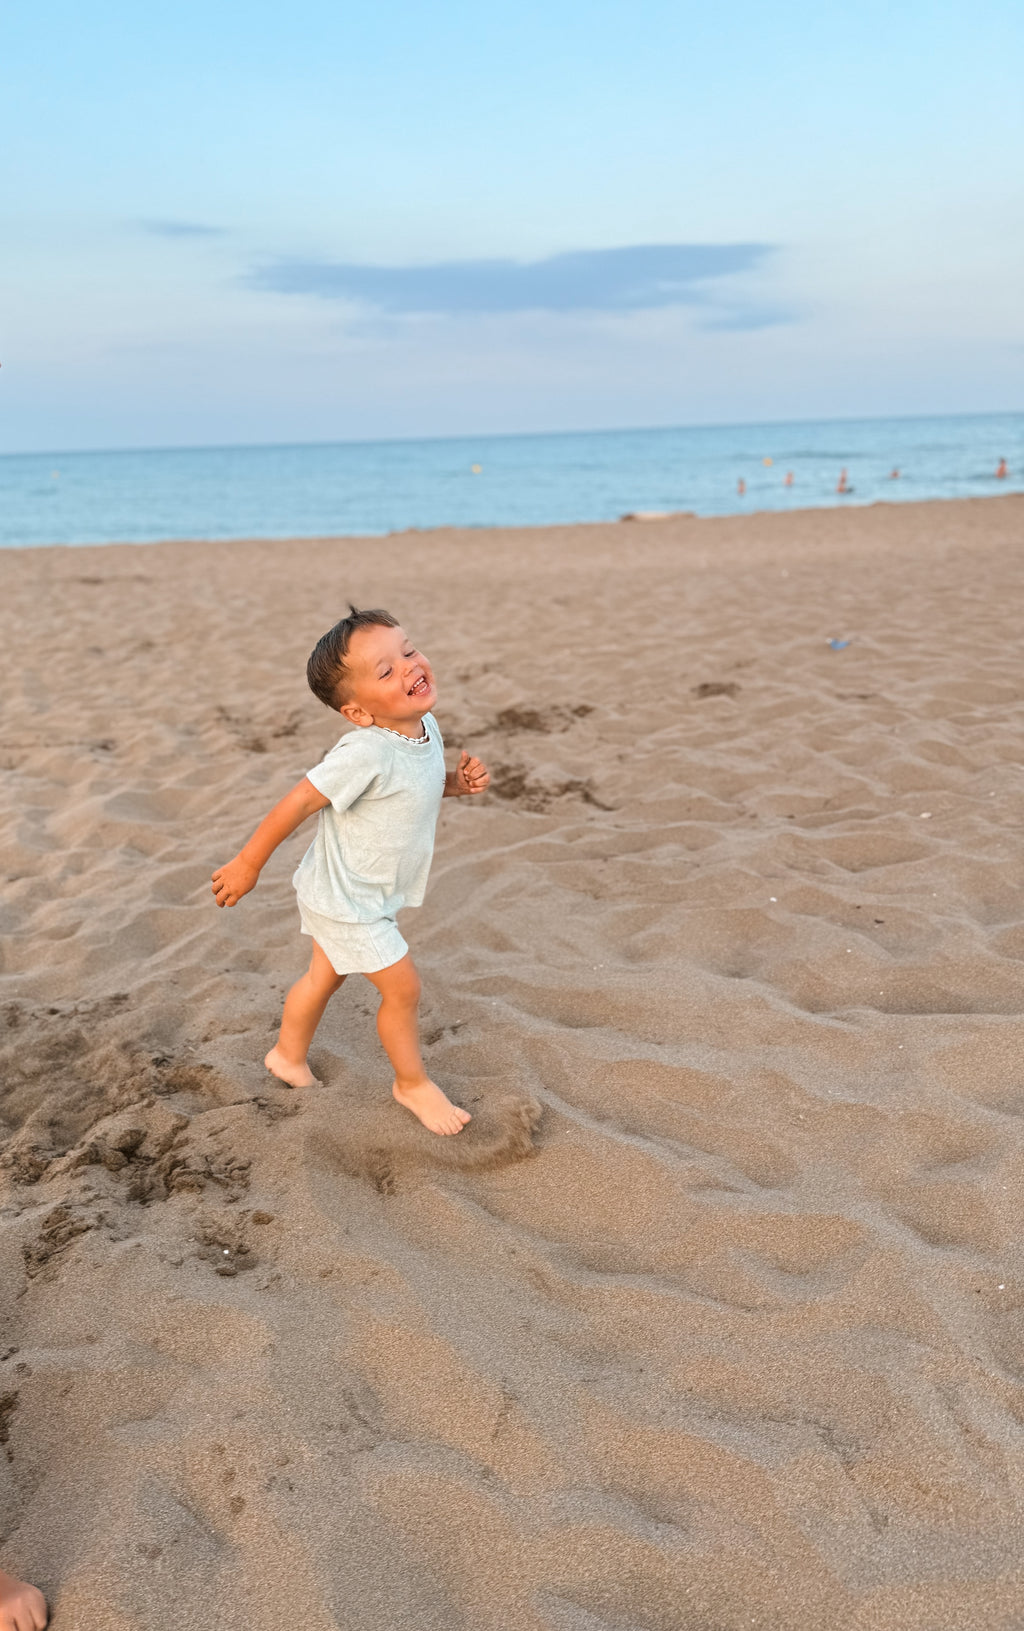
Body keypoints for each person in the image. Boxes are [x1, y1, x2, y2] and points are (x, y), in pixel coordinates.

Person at [211, 608, 490, 1136]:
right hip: (346, 900)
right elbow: (296, 803)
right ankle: (411, 1084)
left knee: (324, 976)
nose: (409, 667)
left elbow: (415, 785)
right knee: (403, 989)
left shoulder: (424, 725)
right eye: (385, 671)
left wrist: (456, 783)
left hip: (361, 890)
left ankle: (286, 1057)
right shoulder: (362, 753)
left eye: (407, 651)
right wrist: (248, 864)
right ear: (358, 712)